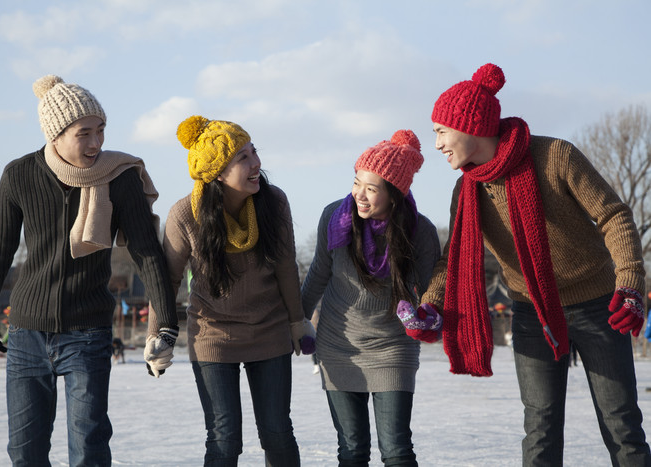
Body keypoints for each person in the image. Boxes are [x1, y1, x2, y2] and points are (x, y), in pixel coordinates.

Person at [413, 63, 651, 465]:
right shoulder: (467, 191)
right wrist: (431, 305)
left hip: (598, 305)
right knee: (539, 429)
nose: (436, 143)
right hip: (530, 313)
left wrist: (628, 282)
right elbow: (453, 259)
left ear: (470, 127)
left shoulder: (554, 156)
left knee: (621, 424)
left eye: (440, 131)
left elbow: (613, 215)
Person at [0, 75, 180, 466]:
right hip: (26, 334)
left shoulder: (119, 177)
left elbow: (146, 253)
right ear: (55, 134)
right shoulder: (18, 175)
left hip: (88, 332)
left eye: (100, 130)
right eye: (84, 133)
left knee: (88, 448)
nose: (96, 143)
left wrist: (165, 325)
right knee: (25, 452)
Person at [146, 115, 315, 466]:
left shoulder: (273, 202)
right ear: (217, 173)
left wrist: (297, 322)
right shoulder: (185, 215)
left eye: (254, 152)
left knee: (277, 432)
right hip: (213, 334)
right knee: (224, 437)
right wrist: (156, 337)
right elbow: (168, 281)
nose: (256, 164)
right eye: (243, 158)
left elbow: (286, 266)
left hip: (268, 329)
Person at [301, 130, 441, 466]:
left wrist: (426, 313)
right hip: (338, 345)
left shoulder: (419, 231)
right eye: (356, 183)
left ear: (394, 194)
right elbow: (319, 273)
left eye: (372, 189)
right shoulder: (334, 217)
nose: (359, 195)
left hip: (393, 347)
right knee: (352, 450)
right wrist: (296, 320)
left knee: (396, 449)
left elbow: (432, 286)